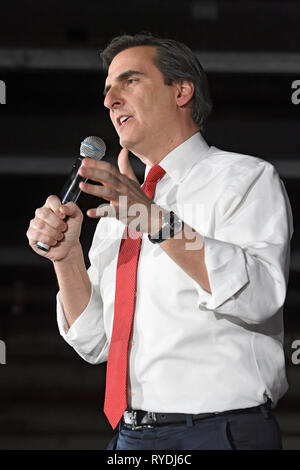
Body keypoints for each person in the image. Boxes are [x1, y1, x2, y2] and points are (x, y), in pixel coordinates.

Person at [26, 33, 293, 450]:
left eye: (129, 82)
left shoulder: (245, 179)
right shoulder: (121, 203)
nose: (110, 99)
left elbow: (260, 294)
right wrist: (66, 258)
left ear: (181, 91)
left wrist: (149, 216)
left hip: (218, 431)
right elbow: (95, 341)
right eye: (107, 89)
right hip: (130, 436)